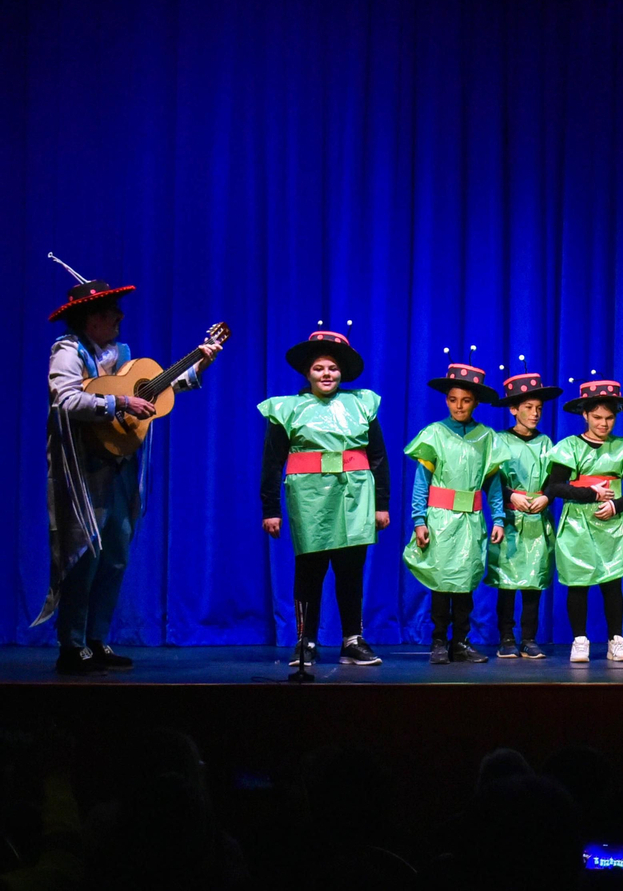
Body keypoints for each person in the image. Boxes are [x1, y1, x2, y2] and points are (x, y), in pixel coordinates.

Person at [41, 261, 220, 675]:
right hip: (83, 467)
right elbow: (66, 401)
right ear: (90, 319)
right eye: (109, 312)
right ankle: (72, 645)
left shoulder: (121, 355)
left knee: (116, 555)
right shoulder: (68, 351)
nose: (119, 317)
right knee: (83, 554)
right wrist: (119, 404)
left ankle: (97, 640)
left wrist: (200, 363)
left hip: (121, 462)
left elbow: (156, 387)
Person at [259, 328, 389, 667]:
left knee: (350, 572)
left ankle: (352, 640)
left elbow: (378, 456)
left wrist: (382, 504)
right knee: (309, 572)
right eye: (319, 368)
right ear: (307, 373)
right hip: (310, 500)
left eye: (332, 368)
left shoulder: (361, 404)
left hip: (355, 498)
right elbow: (272, 462)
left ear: (342, 372)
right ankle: (306, 642)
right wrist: (271, 509)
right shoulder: (288, 409)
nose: (326, 374)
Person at [403, 363, 506, 666]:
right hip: (440, 518)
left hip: (470, 521)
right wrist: (419, 520)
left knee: (464, 582)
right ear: (446, 400)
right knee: (441, 580)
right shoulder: (434, 434)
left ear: (475, 401)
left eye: (465, 400)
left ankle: (460, 641)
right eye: (452, 399)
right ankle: (438, 641)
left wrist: (498, 517)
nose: (459, 406)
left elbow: (493, 483)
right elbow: (421, 483)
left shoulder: (486, 437)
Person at [543, 379, 623, 663]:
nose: (604, 423)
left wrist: (615, 505)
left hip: (610, 526)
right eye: (597, 417)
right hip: (577, 524)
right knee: (578, 582)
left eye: (609, 418)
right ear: (584, 415)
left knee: (612, 583)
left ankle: (616, 639)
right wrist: (590, 493)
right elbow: (555, 487)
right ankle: (579, 640)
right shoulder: (570, 447)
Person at [486, 368, 563, 659]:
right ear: (514, 409)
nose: (535, 414)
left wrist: (546, 496)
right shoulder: (499, 441)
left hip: (536, 518)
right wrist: (511, 496)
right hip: (509, 518)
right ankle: (506, 636)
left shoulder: (546, 444)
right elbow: (491, 480)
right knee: (507, 581)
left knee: (534, 580)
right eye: (529, 408)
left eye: (539, 408)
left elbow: (555, 479)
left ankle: (529, 638)